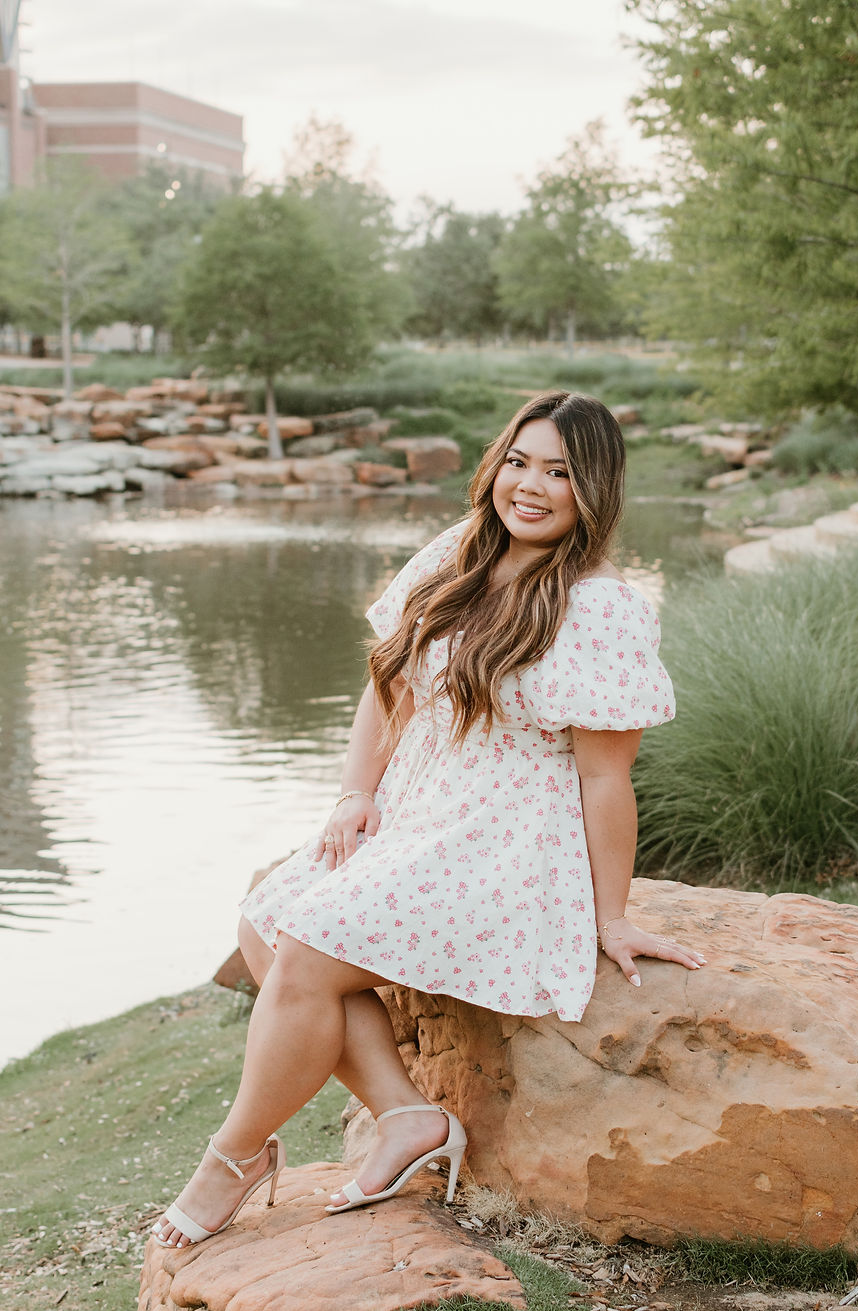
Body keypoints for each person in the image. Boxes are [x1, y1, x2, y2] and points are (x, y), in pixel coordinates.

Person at [152, 390, 705, 1249]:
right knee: (263, 926)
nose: (530, 486)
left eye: (558, 472)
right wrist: (356, 794)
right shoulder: (458, 553)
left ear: (592, 489)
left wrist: (612, 915)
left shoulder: (598, 608)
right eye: (518, 462)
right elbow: (390, 684)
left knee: (303, 952)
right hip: (419, 810)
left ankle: (235, 1156)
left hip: (504, 838)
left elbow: (605, 777)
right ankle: (408, 1116)